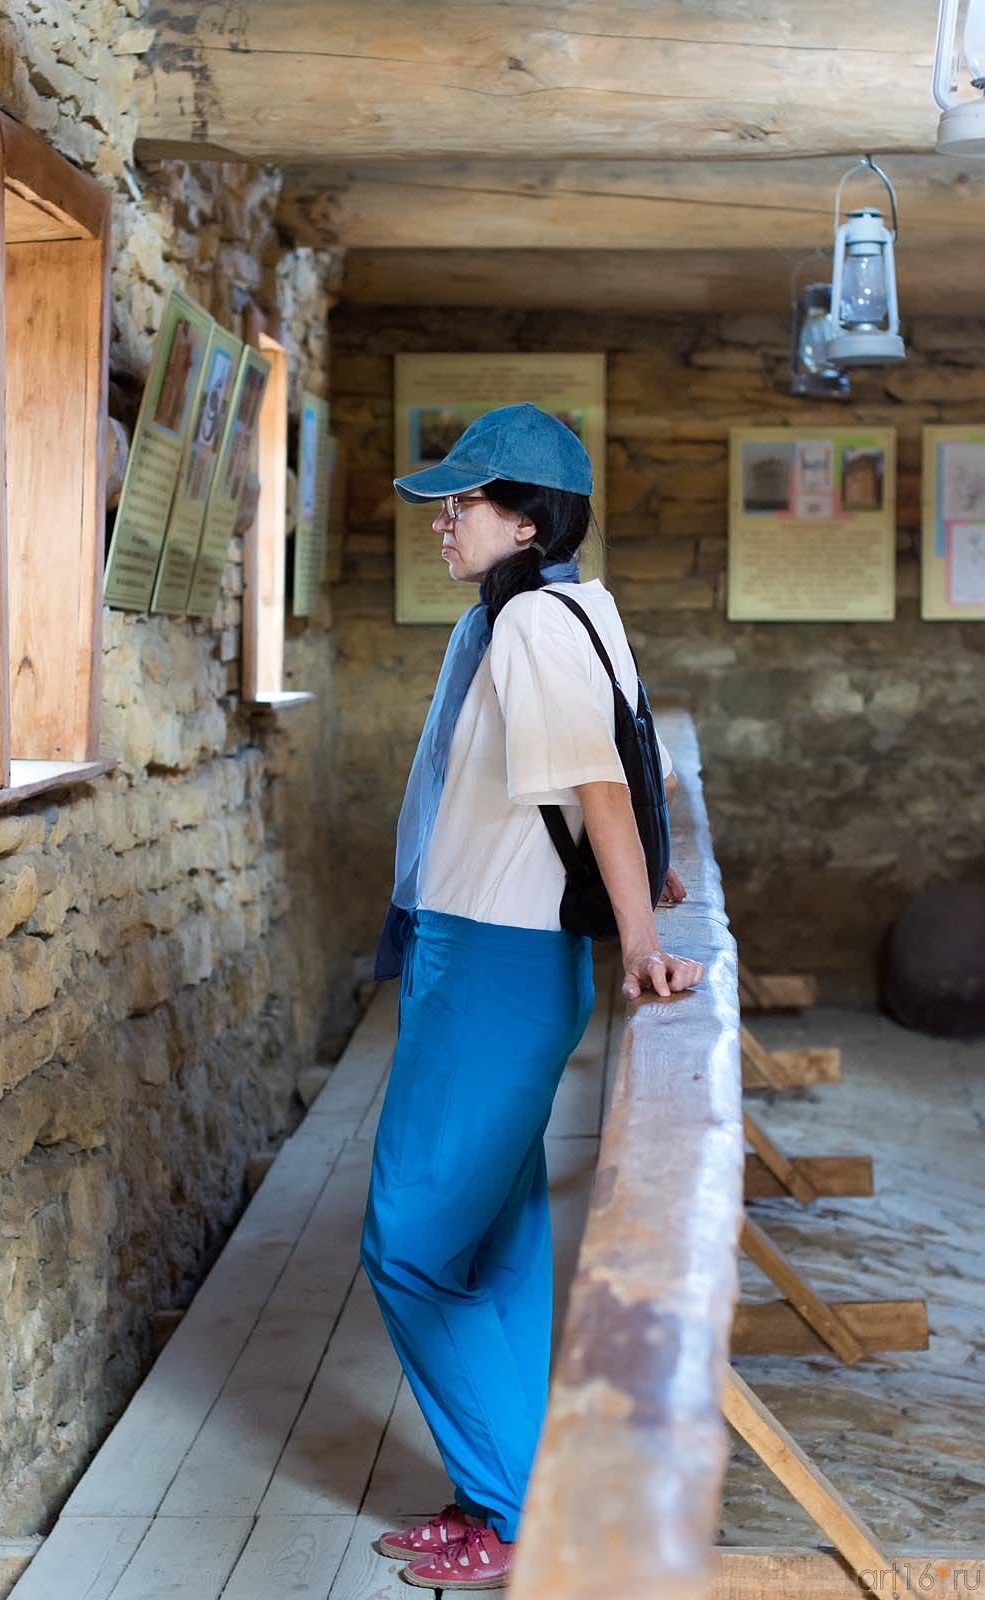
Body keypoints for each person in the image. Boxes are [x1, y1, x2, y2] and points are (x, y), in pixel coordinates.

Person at [358, 403, 706, 1590]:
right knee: (496, 1243)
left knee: (405, 1240)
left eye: (467, 503)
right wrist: (638, 888)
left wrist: (641, 937)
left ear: (528, 519)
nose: (444, 522)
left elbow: (602, 789)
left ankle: (512, 1511)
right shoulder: (571, 609)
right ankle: (507, 1491)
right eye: (445, 503)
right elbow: (629, 764)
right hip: (493, 952)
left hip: (494, 962)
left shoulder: (527, 629)